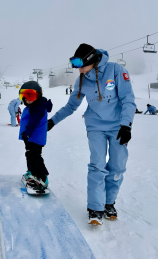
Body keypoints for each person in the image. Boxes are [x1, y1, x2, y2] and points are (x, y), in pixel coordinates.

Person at [47, 43, 136, 225]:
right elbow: (72, 106)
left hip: (118, 126)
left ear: (91, 60)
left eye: (80, 64)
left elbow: (128, 99)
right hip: (95, 126)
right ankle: (95, 207)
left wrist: (126, 125)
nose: (78, 69)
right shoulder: (81, 80)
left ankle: (109, 202)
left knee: (117, 165)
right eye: (75, 64)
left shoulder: (116, 70)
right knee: (97, 165)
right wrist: (52, 121)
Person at [19, 81, 53, 192]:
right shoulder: (34, 106)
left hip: (34, 137)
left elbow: (34, 122)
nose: (28, 99)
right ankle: (32, 172)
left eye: (32, 96)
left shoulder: (37, 108)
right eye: (25, 96)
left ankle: (42, 177)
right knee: (30, 154)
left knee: (34, 156)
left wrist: (28, 133)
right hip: (30, 137)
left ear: (39, 95)